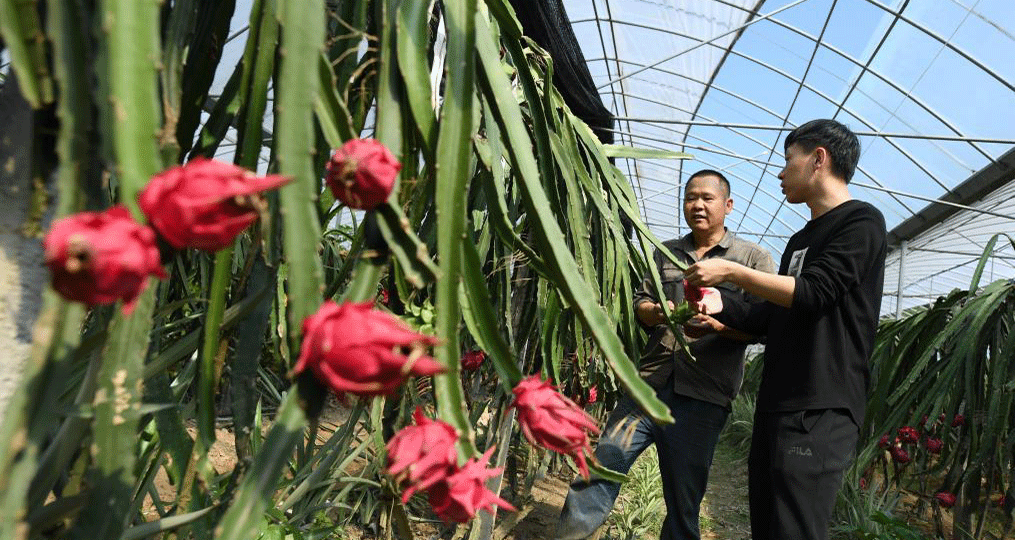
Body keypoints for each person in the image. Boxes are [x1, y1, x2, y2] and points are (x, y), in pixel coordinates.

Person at [683, 119, 887, 540]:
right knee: (768, 524)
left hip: (821, 404)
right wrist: (719, 306)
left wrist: (733, 272)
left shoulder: (861, 222)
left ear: (818, 159)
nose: (780, 172)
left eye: (787, 159)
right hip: (780, 402)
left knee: (795, 527)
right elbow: (774, 314)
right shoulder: (799, 240)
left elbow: (815, 292)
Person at [554, 169, 774, 540]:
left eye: (707, 197)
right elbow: (640, 303)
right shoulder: (666, 252)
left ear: (728, 205)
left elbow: (764, 327)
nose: (697, 205)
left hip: (702, 398)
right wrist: (661, 313)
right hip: (646, 388)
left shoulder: (751, 260)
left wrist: (718, 327)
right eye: (690, 197)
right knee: (600, 469)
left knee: (683, 500)